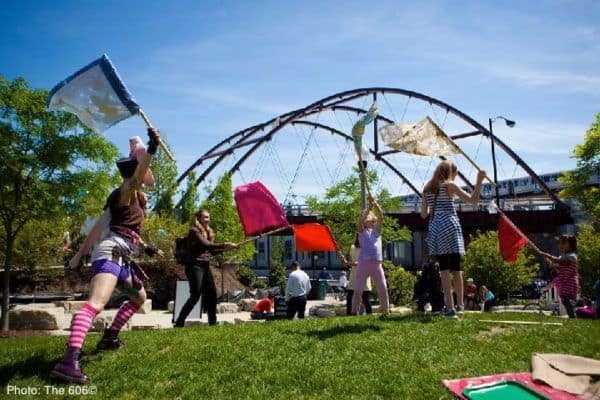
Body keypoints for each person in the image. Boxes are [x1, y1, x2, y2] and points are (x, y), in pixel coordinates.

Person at [52, 128, 162, 383]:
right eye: (142, 176)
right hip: (112, 252)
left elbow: (100, 228)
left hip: (123, 255)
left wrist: (145, 247)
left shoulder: (129, 203)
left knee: (138, 298)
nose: (146, 184)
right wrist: (151, 148)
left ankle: (109, 338)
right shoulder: (124, 191)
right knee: (96, 304)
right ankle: (69, 361)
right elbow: (134, 180)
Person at [421, 161, 486, 318]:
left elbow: (424, 214)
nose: (455, 177)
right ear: (450, 172)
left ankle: (449, 308)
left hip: (437, 228)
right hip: (450, 225)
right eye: (455, 174)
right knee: (456, 268)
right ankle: (460, 305)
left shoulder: (427, 189)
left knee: (444, 269)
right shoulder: (449, 185)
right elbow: (473, 200)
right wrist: (479, 180)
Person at [174, 210, 237, 327]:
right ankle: (179, 322)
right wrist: (224, 244)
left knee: (212, 293)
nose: (208, 220)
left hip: (205, 266)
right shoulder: (194, 231)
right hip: (194, 266)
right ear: (198, 218)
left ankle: (212, 322)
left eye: (209, 217)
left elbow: (211, 251)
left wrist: (226, 248)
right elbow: (206, 245)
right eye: (205, 217)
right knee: (196, 294)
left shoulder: (208, 232)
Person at [351, 194, 389, 315]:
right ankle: (354, 311)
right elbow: (359, 221)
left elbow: (381, 215)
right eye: (366, 215)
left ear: (373, 220)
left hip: (376, 263)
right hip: (363, 263)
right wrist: (368, 208)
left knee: (382, 288)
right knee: (358, 290)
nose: (367, 216)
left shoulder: (377, 230)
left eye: (369, 215)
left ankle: (385, 310)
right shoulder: (361, 231)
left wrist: (375, 203)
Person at [532, 234, 579, 318]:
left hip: (569, 281)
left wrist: (545, 254)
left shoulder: (572, 256)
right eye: (560, 243)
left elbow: (558, 261)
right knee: (565, 300)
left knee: (566, 299)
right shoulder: (563, 256)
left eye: (563, 243)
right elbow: (559, 266)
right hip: (564, 281)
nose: (560, 245)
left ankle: (572, 316)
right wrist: (553, 265)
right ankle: (571, 316)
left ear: (571, 245)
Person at [339, 237, 373, 315]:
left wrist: (348, 262)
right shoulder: (352, 247)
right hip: (354, 277)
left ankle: (370, 316)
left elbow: (360, 263)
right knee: (349, 298)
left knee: (365, 299)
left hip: (364, 276)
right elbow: (350, 261)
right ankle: (349, 315)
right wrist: (343, 260)